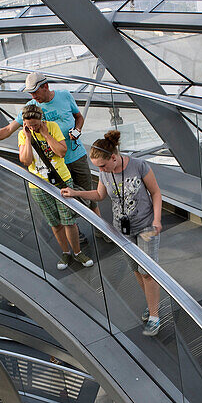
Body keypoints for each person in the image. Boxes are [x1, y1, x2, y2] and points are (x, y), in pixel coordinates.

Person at [62, 129, 163, 336]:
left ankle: (154, 315)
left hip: (146, 227)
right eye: (98, 167)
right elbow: (100, 195)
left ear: (114, 158)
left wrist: (157, 220)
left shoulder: (139, 166)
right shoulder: (104, 173)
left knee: (148, 273)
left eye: (103, 165)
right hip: (122, 230)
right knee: (136, 270)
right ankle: (151, 305)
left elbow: (156, 193)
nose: (102, 170)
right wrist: (76, 193)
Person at [0, 71, 96, 209]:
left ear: (45, 86)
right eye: (31, 93)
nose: (33, 96)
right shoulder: (31, 108)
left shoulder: (65, 96)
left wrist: (77, 130)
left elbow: (79, 117)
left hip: (76, 157)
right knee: (66, 206)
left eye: (35, 92)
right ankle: (76, 230)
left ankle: (98, 230)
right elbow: (8, 129)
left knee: (89, 199)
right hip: (55, 164)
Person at [17, 103, 94, 271]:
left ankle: (77, 252)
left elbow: (61, 152)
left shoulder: (52, 127)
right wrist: (28, 138)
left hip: (61, 181)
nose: (33, 128)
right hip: (39, 185)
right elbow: (26, 161)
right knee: (55, 222)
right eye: (29, 126)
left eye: (36, 125)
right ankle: (66, 252)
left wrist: (45, 133)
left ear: (41, 120)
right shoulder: (23, 135)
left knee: (69, 220)